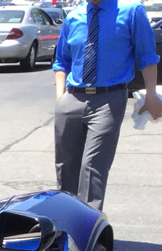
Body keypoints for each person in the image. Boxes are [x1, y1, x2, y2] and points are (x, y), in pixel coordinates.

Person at [53, 0, 162, 210]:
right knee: (66, 168)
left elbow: (147, 56)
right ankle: (66, 221)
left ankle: (88, 230)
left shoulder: (131, 11)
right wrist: (60, 100)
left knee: (93, 166)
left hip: (109, 98)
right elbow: (61, 61)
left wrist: (151, 96)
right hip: (72, 98)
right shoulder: (73, 16)